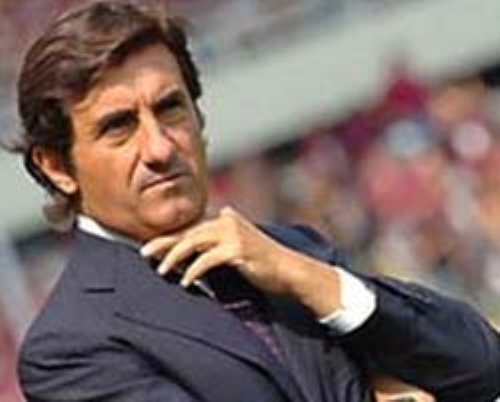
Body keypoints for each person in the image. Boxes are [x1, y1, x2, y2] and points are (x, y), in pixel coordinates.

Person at [10, 1, 499, 401]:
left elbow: (481, 366)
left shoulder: (289, 253)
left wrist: (308, 277)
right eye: (119, 127)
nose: (159, 148)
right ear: (56, 166)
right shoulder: (70, 348)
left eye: (170, 108)